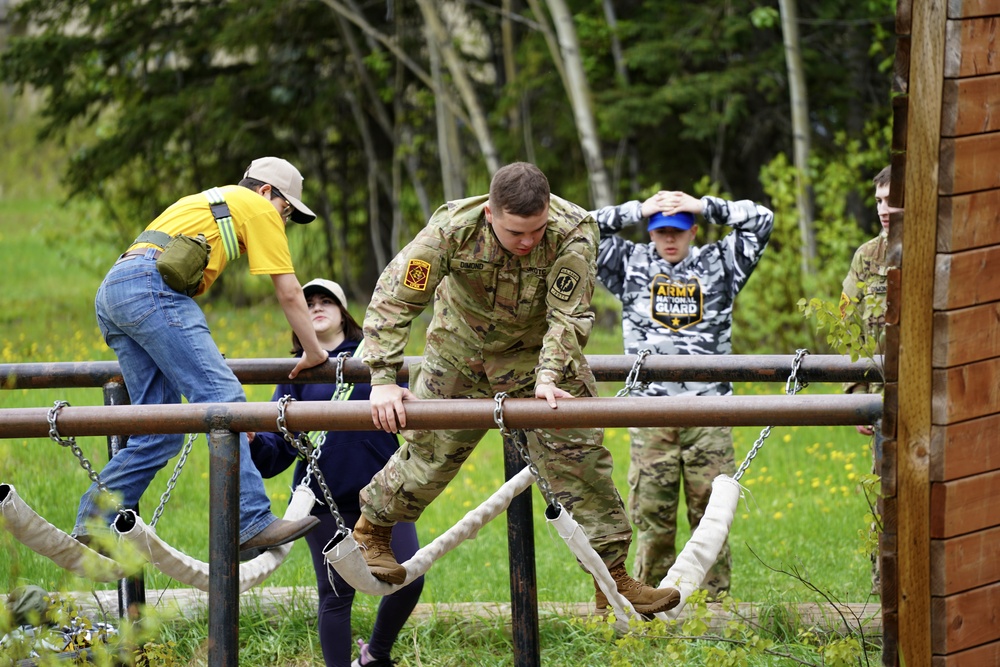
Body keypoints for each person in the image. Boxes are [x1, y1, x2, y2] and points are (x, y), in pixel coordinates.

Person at [352, 162, 680, 616]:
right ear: (490, 213)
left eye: (536, 229)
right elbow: (395, 298)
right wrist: (384, 380)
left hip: (538, 355)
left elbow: (569, 315)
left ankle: (613, 579)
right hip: (460, 352)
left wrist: (547, 376)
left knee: (580, 458)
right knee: (430, 456)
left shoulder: (573, 230)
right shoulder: (452, 230)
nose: (527, 242)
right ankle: (371, 531)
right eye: (515, 232)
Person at [73, 157, 327, 558]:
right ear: (265, 192)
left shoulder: (209, 202)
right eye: (287, 210)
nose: (285, 220)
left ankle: (94, 520)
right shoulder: (259, 207)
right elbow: (290, 292)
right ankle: (252, 520)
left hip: (114, 291)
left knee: (160, 432)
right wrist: (315, 351)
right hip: (151, 290)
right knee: (225, 399)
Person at [591, 189, 774, 598]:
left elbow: (761, 220)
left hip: (708, 413)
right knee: (652, 520)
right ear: (650, 233)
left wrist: (704, 205)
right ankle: (649, 609)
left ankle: (713, 612)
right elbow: (581, 229)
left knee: (711, 520)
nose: (668, 240)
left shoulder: (720, 264)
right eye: (660, 231)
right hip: (651, 415)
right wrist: (638, 210)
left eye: (677, 231)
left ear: (693, 231)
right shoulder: (631, 263)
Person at [250, 278, 423, 667]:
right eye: (307, 302)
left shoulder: (377, 362)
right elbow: (275, 454)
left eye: (325, 300)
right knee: (336, 596)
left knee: (410, 577)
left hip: (385, 496)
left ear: (344, 313)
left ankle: (375, 655)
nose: (316, 307)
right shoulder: (293, 377)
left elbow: (415, 415)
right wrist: (252, 442)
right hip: (323, 503)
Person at [840, 164, 900, 595]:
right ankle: (885, 591)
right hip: (882, 398)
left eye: (892, 199)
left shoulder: (938, 249)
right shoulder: (867, 256)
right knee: (886, 492)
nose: (884, 208)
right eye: (878, 200)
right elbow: (849, 326)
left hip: (933, 395)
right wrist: (855, 393)